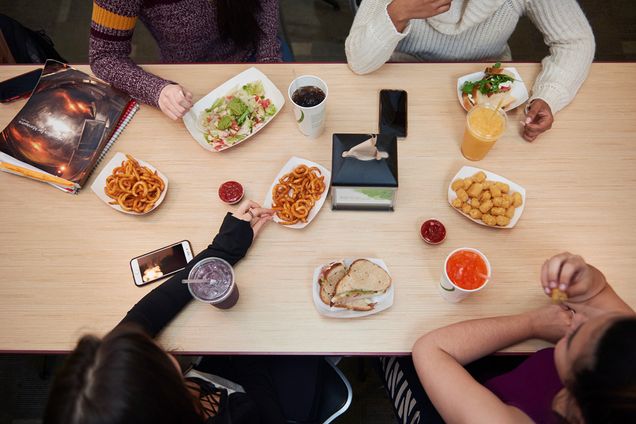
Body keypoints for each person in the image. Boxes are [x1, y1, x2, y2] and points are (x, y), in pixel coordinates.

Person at [43, 201, 324, 424]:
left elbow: (148, 313)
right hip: (259, 395)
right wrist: (246, 352)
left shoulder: (104, 386)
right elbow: (265, 411)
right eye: (153, 356)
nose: (156, 345)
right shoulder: (234, 416)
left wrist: (225, 248)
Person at [381, 252, 635, 423]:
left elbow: (430, 349)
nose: (581, 317)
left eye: (575, 334)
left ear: (575, 393)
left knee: (390, 350)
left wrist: (533, 323)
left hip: (463, 403)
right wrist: (587, 281)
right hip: (511, 377)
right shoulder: (624, 364)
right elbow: (599, 295)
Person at [345, 0, 596, 142]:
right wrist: (397, 12)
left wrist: (549, 95)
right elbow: (359, 60)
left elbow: (575, 41)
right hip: (403, 83)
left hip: (490, 90)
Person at [89, 0, 282, 120]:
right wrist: (157, 90)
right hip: (185, 82)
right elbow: (104, 55)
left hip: (257, 54)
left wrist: (269, 57)